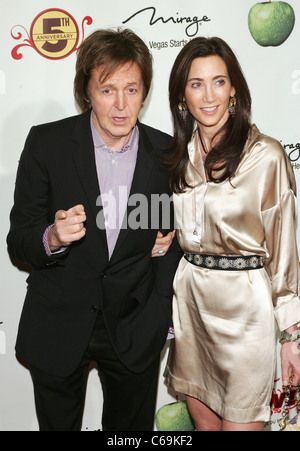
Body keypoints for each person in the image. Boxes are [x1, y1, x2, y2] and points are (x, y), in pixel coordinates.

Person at [7, 28, 182, 431]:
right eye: (107, 90)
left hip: (136, 328)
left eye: (132, 90)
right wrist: (51, 237)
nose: (121, 105)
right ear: (87, 91)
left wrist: (159, 316)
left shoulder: (168, 154)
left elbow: (172, 243)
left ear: (145, 92)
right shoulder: (46, 144)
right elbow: (20, 239)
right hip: (58, 322)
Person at [164, 36, 300, 431]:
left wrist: (292, 337)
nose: (209, 96)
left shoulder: (267, 156)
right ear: (181, 97)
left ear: (234, 88)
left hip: (245, 314)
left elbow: (284, 252)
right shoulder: (177, 158)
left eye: (219, 81)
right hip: (190, 307)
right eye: (196, 84)